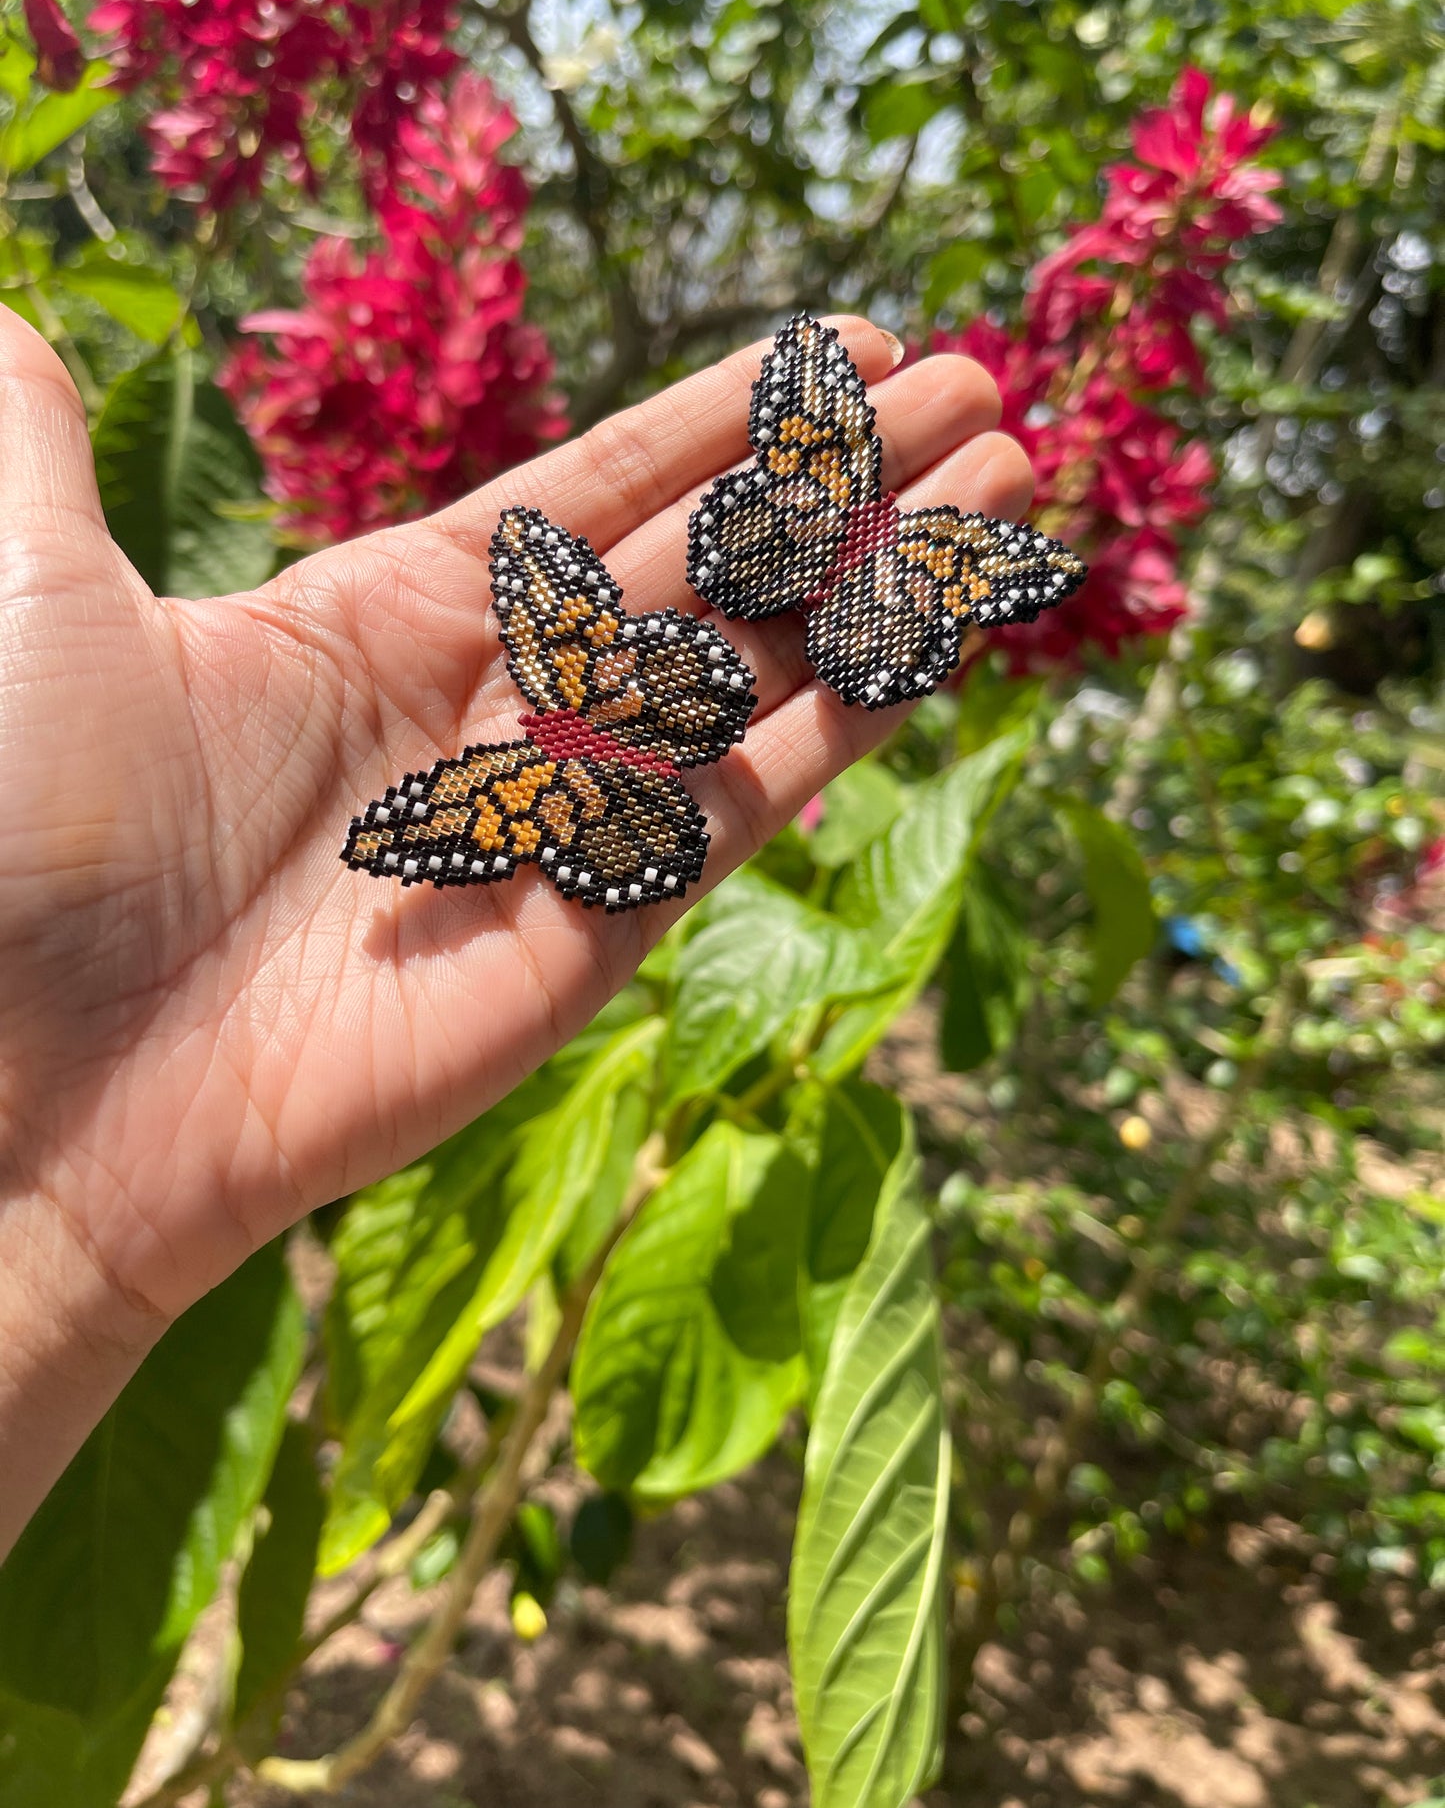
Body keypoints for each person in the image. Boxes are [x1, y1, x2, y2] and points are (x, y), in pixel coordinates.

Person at [0, 306, 1030, 1556]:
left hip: (607, 736)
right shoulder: (552, 704)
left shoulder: (543, 717)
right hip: (625, 738)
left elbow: (541, 585)